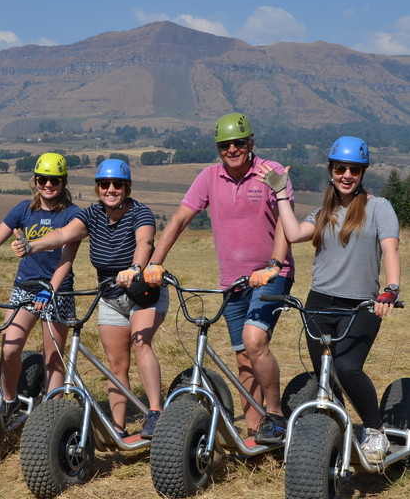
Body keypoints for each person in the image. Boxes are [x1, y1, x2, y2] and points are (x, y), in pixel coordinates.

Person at [144, 113, 295, 443]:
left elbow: (286, 221)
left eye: (238, 143)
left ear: (250, 143)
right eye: (224, 145)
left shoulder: (272, 172)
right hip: (233, 281)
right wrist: (154, 263)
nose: (232, 150)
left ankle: (276, 415)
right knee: (242, 356)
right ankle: (255, 434)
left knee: (256, 341)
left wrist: (273, 263)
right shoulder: (210, 177)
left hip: (272, 274)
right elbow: (181, 219)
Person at [258, 135, 401, 462]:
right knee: (326, 372)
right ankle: (329, 434)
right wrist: (281, 192)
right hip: (320, 303)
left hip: (363, 305)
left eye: (354, 169)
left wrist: (390, 289)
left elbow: (391, 250)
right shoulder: (323, 211)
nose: (346, 175)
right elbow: (292, 234)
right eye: (340, 168)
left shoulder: (379, 208)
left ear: (362, 172)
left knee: (348, 367)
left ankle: (375, 429)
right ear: (331, 170)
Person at [11, 159, 169, 439]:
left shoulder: (139, 214)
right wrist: (31, 246)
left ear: (127, 187)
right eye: (105, 184)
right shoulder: (92, 215)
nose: (111, 189)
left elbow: (144, 241)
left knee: (141, 343)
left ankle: (156, 413)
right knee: (117, 364)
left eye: (117, 184)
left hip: (143, 294)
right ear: (97, 188)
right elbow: (62, 234)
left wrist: (135, 269)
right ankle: (117, 428)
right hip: (110, 296)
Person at [0, 152, 81, 423]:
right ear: (35, 180)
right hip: (25, 287)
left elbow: (67, 260)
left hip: (58, 290)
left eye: (54, 180)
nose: (48, 185)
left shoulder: (72, 214)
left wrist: (51, 290)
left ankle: (50, 419)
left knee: (53, 357)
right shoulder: (23, 209)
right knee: (8, 348)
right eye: (43, 179)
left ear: (63, 182)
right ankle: (9, 402)